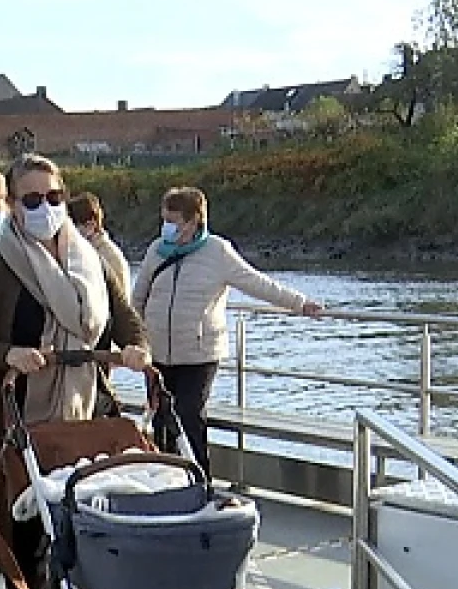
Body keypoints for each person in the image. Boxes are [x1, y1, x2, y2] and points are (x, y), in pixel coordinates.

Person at [0, 154, 150, 589]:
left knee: (89, 524)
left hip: (84, 413)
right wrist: (7, 354)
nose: (45, 209)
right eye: (32, 200)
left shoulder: (90, 258)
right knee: (27, 531)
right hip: (16, 418)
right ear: (14, 206)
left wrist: (135, 348)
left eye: (53, 198)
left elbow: (124, 315)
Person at [131, 186, 320, 472]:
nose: (166, 227)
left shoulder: (217, 252)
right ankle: (165, 480)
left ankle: (199, 479)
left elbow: (257, 283)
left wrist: (300, 303)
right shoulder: (156, 250)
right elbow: (138, 297)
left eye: (173, 221)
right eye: (164, 220)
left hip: (199, 354)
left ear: (194, 221)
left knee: (189, 415)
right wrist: (136, 340)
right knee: (161, 419)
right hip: (158, 352)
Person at [70, 192, 131, 294]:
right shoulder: (83, 252)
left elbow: (120, 301)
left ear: (90, 225)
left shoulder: (110, 257)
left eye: (73, 226)